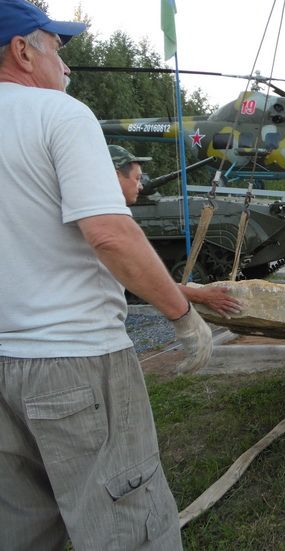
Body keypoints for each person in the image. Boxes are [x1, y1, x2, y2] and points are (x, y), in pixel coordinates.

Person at [0, 3, 211, 549]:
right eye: (57, 48)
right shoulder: (61, 114)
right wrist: (183, 315)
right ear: (24, 51)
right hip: (76, 361)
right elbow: (111, 235)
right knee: (127, 525)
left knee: (20, 528)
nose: (67, 67)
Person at [108, 144, 244, 318]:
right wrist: (202, 297)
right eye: (137, 178)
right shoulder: (111, 221)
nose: (141, 186)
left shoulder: (96, 214)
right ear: (115, 176)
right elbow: (145, 279)